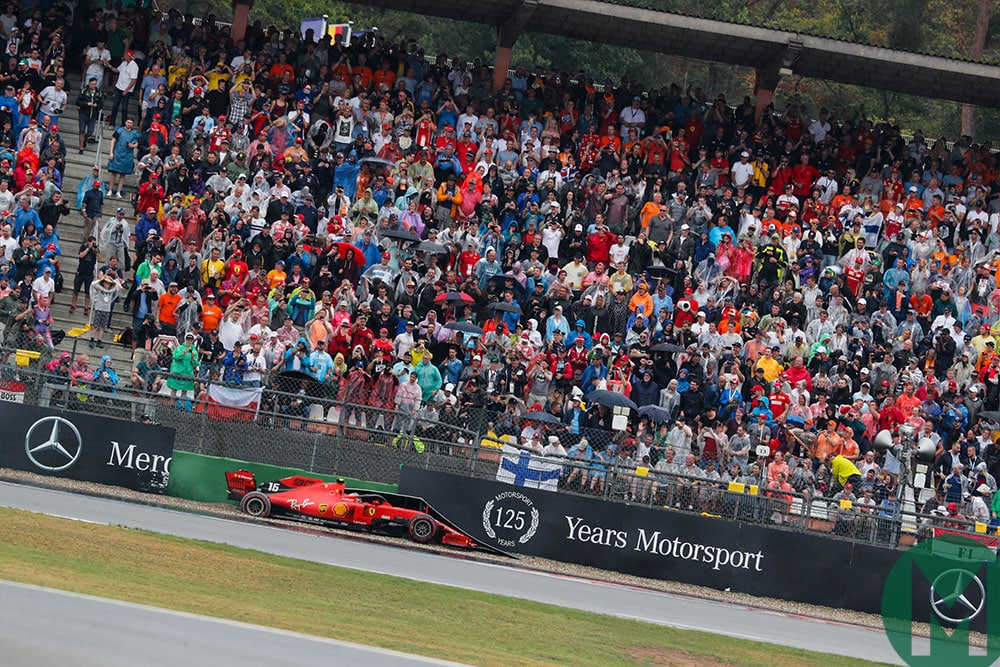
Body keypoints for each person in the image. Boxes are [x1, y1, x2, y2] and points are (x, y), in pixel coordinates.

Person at [168, 332, 199, 410]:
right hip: (177, 371)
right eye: (188, 339)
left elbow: (196, 363)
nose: (189, 341)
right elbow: (175, 356)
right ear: (185, 340)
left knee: (184, 390)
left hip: (187, 373)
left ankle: (182, 406)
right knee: (174, 388)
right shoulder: (179, 348)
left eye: (190, 340)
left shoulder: (194, 351)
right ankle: (172, 404)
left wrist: (192, 357)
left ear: (192, 341)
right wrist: (183, 353)